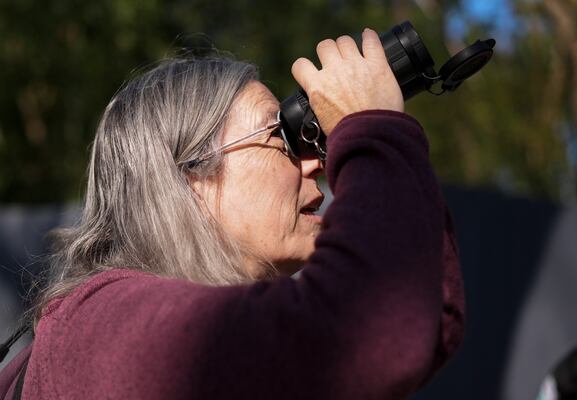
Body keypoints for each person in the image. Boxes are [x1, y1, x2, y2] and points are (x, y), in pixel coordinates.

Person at [0, 28, 464, 399]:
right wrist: (370, 131)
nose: (317, 162)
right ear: (188, 175)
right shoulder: (103, 330)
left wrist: (388, 148)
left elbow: (420, 326)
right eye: (282, 137)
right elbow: (366, 335)